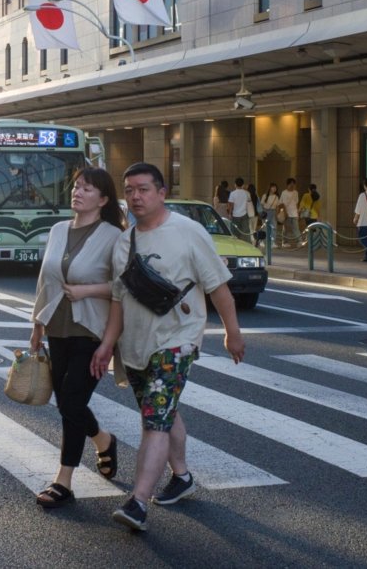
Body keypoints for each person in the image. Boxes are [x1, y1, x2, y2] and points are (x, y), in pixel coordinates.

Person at [90, 162, 245, 534]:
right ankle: (182, 476)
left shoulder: (188, 232)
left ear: (162, 193)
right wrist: (107, 344)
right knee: (161, 410)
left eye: (143, 189)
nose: (135, 197)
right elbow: (117, 300)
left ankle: (138, 502)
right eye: (129, 190)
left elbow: (218, 287)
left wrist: (232, 333)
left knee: (154, 419)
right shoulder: (124, 241)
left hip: (177, 340)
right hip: (135, 344)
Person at [27, 167, 125, 509]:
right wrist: (37, 324)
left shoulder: (114, 236)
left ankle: (63, 481)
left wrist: (88, 290)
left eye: (87, 188)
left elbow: (124, 286)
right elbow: (46, 281)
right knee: (68, 403)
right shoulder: (58, 230)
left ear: (104, 199)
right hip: (57, 327)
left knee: (70, 401)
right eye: (77, 186)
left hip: (92, 331)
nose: (78, 192)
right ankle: (103, 440)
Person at [281, 178, 302, 247]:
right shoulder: (284, 193)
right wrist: (285, 212)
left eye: (293, 184)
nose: (292, 186)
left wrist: (297, 213)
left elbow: (296, 203)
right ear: (287, 185)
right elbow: (283, 204)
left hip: (294, 213)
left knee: (296, 228)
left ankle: (299, 241)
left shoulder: (296, 192)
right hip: (287, 213)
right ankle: (285, 242)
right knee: (286, 229)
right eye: (291, 184)